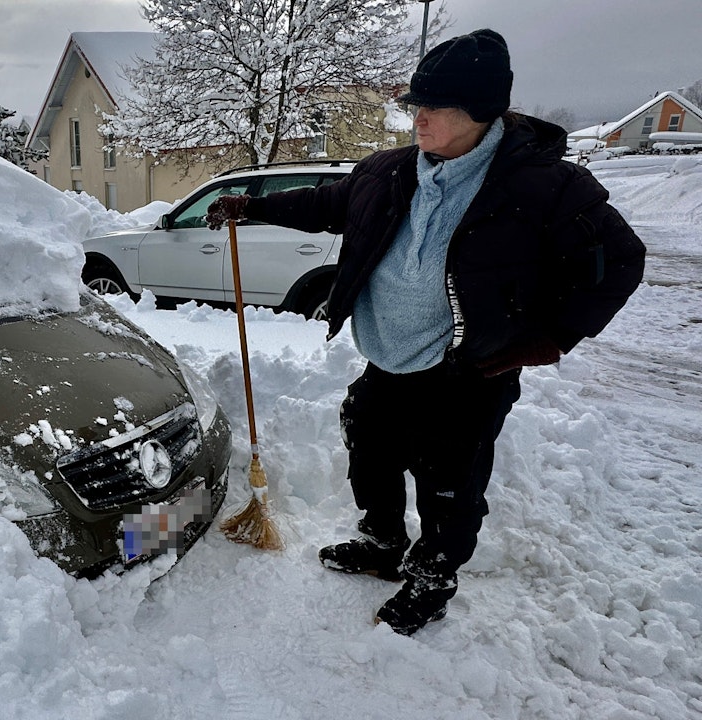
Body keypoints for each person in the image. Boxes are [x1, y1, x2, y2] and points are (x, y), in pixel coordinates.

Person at [206, 28, 645, 635]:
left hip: (468, 366)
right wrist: (250, 206)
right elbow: (326, 204)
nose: (419, 118)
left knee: (449, 482)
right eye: (416, 104)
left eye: (435, 107)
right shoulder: (387, 172)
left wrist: (554, 336)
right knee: (370, 445)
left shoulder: (544, 187)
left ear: (480, 113)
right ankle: (382, 542)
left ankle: (433, 577)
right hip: (387, 354)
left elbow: (618, 260)